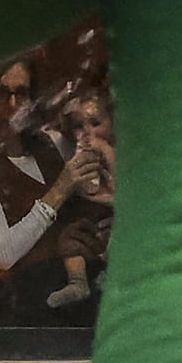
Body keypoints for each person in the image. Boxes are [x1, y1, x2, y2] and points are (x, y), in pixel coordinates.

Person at [0, 58, 105, 326]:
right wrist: (60, 190)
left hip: (73, 306)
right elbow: (2, 254)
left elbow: (91, 195)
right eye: (4, 95)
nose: (14, 105)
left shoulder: (53, 144)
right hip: (18, 315)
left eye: (23, 94)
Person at [46, 90, 116, 311]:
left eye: (95, 123)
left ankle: (112, 274)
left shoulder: (116, 152)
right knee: (69, 243)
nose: (87, 133)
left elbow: (122, 183)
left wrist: (106, 152)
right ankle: (78, 282)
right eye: (79, 126)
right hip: (87, 220)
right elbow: (82, 187)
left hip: (115, 221)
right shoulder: (73, 154)